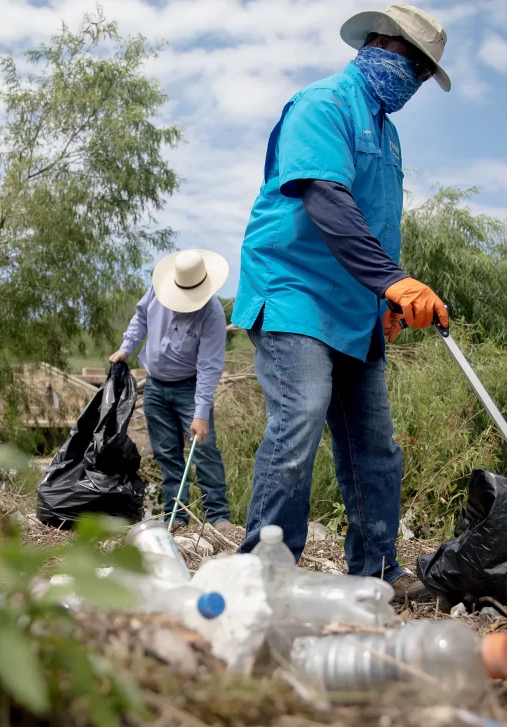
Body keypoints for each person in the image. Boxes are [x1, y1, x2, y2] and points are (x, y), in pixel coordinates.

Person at [230, 4, 452, 604]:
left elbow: (379, 221)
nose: (417, 82)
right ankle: (264, 571)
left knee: (374, 444)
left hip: (355, 311)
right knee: (300, 417)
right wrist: (392, 280)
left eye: (426, 76)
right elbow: (327, 201)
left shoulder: (388, 131)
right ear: (383, 45)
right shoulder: (322, 105)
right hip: (294, 291)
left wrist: (387, 300)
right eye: (416, 66)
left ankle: (377, 571)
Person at [111, 250, 233, 533]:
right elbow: (140, 318)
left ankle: (218, 516)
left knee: (204, 450)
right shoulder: (157, 291)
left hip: (189, 388)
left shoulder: (211, 313)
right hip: (155, 386)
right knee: (167, 454)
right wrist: (126, 349)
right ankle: (175, 516)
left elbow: (210, 365)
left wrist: (201, 413)